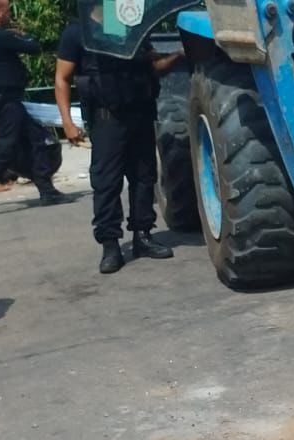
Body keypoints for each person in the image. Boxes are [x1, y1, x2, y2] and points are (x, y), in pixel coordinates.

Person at [55, 17, 183, 273]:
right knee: (107, 182)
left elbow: (154, 67)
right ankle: (110, 244)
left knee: (144, 177)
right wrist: (67, 122)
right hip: (107, 119)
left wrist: (178, 56)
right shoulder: (78, 32)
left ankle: (143, 236)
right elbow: (62, 78)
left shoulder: (130, 29)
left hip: (140, 113)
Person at [0, 0, 71, 216]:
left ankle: (47, 191)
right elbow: (33, 47)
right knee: (5, 148)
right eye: (8, 11)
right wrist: (21, 35)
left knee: (37, 140)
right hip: (5, 102)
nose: (10, 15)